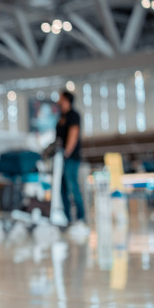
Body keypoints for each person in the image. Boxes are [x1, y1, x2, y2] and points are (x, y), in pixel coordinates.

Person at [55, 90, 86, 228]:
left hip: (70, 158)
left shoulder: (73, 115)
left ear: (66, 100)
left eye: (60, 98)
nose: (58, 101)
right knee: (63, 188)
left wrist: (66, 152)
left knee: (72, 186)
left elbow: (73, 135)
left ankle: (81, 218)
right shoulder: (61, 116)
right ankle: (68, 218)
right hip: (60, 159)